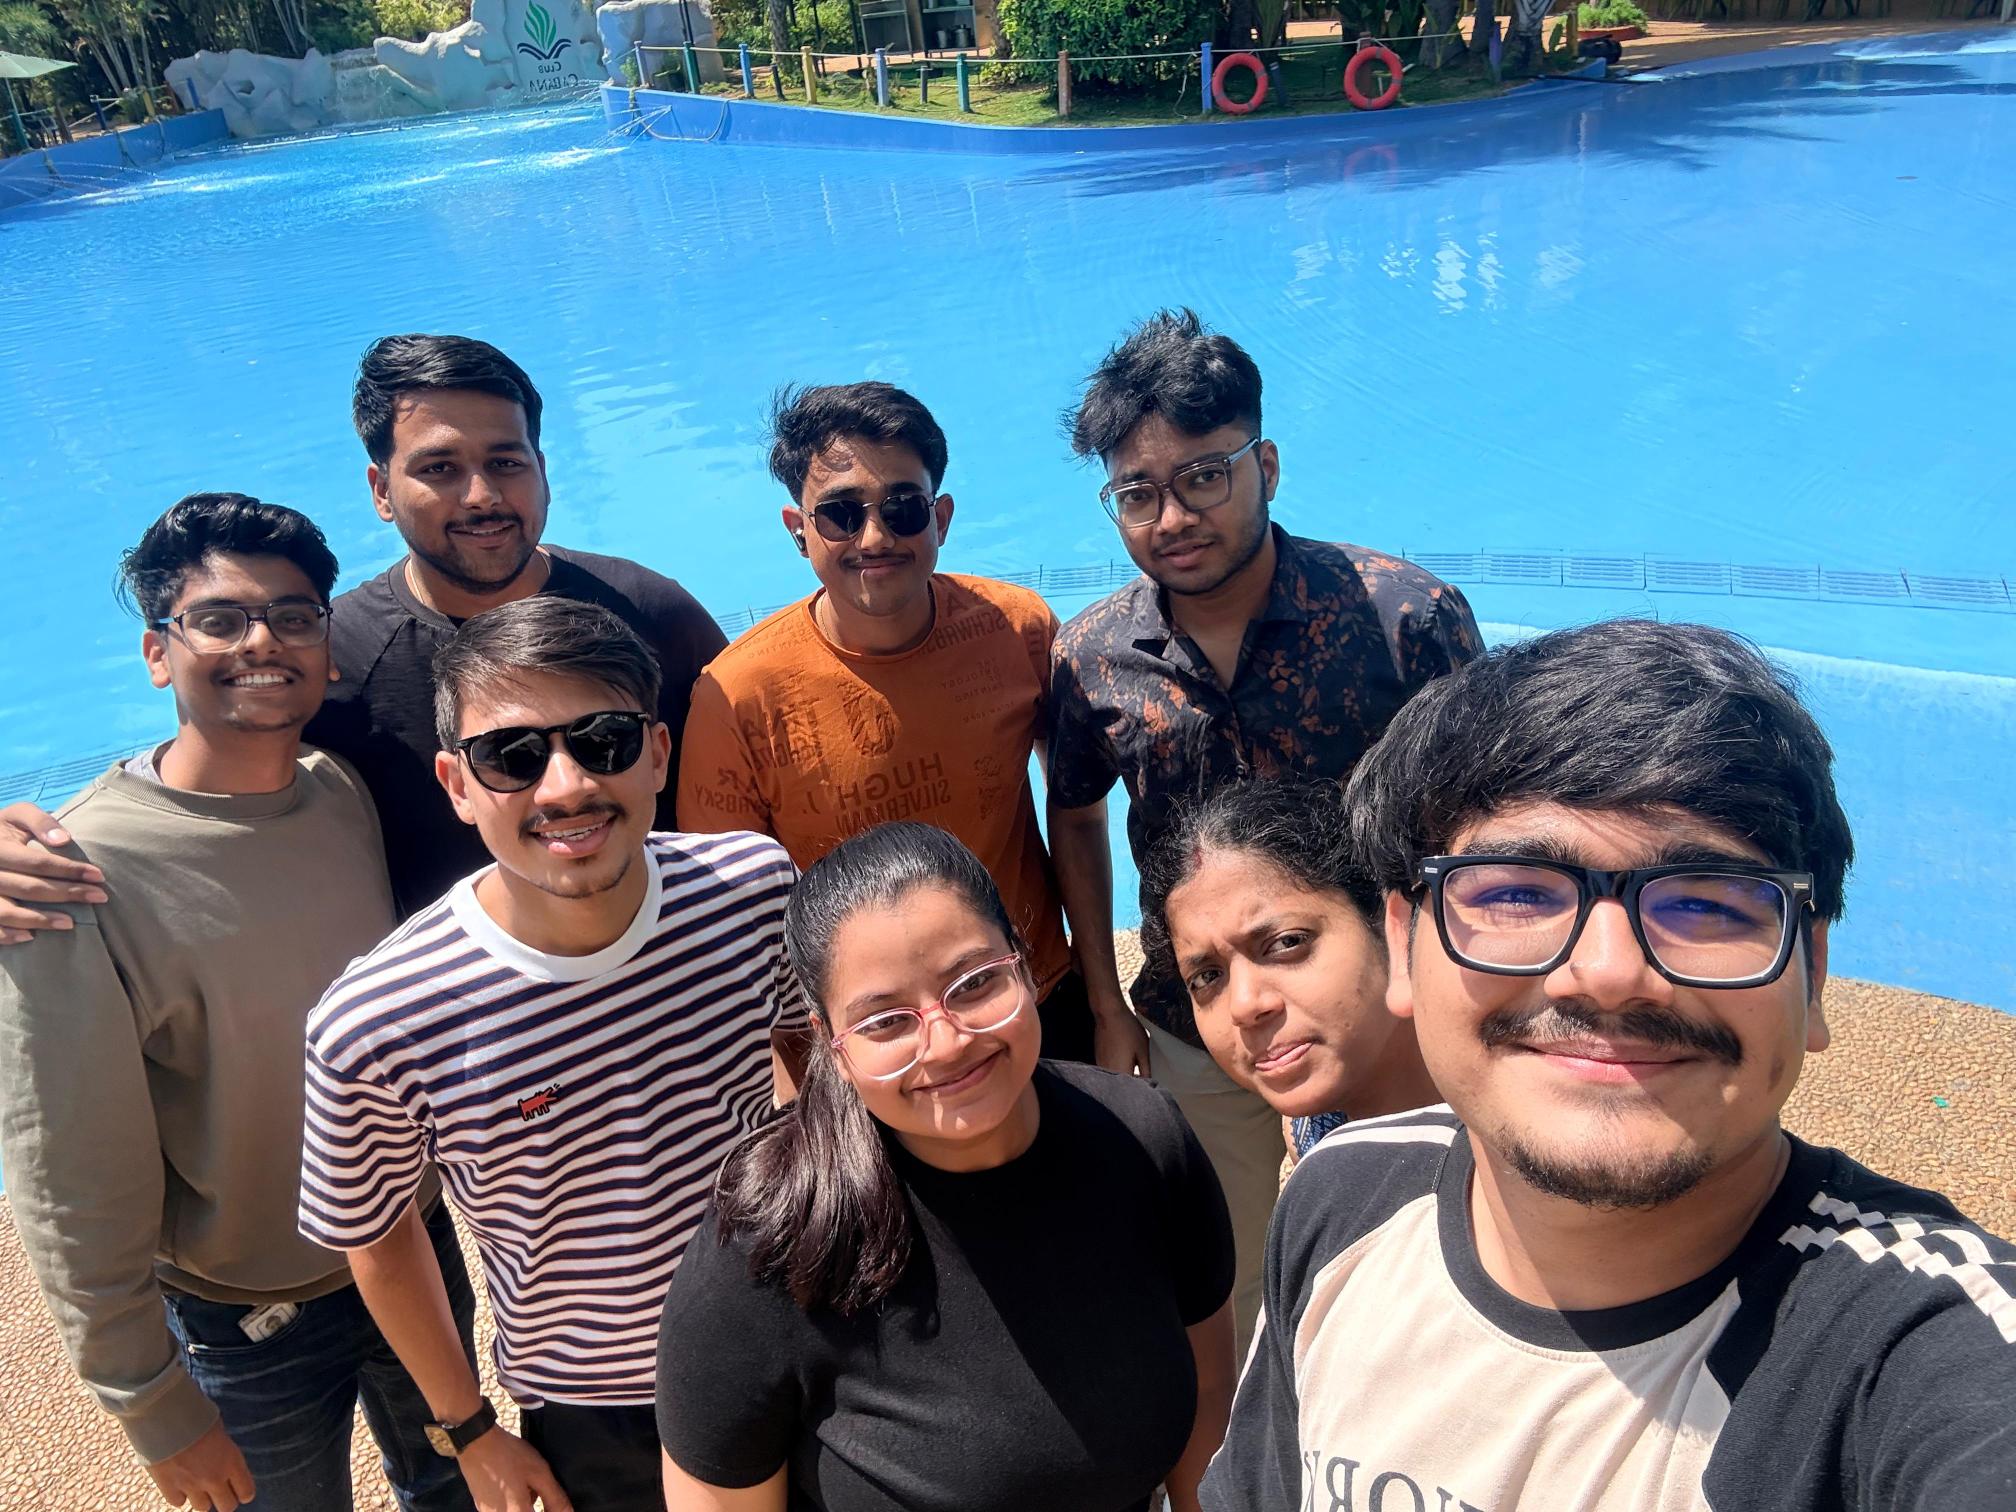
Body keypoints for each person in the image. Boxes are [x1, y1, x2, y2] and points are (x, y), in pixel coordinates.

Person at [1204, 619, 2016, 1511]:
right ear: (1403, 945)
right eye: (1517, 891)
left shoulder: (1927, 1348)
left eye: (1707, 903)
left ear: (1812, 974)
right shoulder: (1343, 1194)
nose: (1610, 973)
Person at [0, 494, 475, 1512]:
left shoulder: (337, 791)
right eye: (220, 618)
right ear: (157, 652)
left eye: (295, 615)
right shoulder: (74, 873)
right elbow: (67, 1171)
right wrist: (147, 1399)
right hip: (246, 1320)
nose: (263, 640)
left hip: (412, 1252)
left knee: (456, 1492)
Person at [298, 597, 805, 1512]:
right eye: (514, 757)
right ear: (457, 784)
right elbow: (376, 1236)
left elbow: (812, 1063)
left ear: (657, 751)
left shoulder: (754, 890)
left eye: (602, 740)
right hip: (593, 1407)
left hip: (793, 1339)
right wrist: (468, 1429)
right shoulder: (377, 1019)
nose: (566, 786)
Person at [1045, 308, 1481, 1347]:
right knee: (1219, 1281)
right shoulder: (1092, 656)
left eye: (1204, 475)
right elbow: (1073, 812)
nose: (1173, 515)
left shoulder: (1402, 616)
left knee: (1427, 1249)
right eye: (1137, 493)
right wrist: (1107, 1002)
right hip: (1198, 1015)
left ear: (1265, 464)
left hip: (1390, 1005)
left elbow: (1483, 813)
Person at [0, 333, 728, 928]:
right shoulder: (327, 655)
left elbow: (747, 768)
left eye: (504, 462)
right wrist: (41, 840)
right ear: (382, 490)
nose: (481, 495)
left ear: (541, 469)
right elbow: (210, 777)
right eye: (439, 468)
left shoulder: (650, 614)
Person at [656, 821, 1237, 1512]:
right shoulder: (768, 1238)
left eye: (972, 984)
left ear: (1024, 964)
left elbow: (1207, 1401)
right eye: (885, 1022)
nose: (945, 1042)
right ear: (832, 1048)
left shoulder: (1146, 1139)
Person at [676, 381, 1096, 1063]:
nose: (875, 537)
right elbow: (733, 924)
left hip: (1033, 997)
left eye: (903, 507)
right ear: (798, 530)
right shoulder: (737, 696)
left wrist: (1106, 1001)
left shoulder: (1016, 630)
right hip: (869, 1047)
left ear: (942, 518)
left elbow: (1077, 815)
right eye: (841, 514)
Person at [1139, 779, 1438, 1161]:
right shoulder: (1313, 1130)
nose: (1243, 1006)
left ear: (1393, 928)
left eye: (1286, 943)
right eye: (1207, 977)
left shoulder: (1509, 1131)